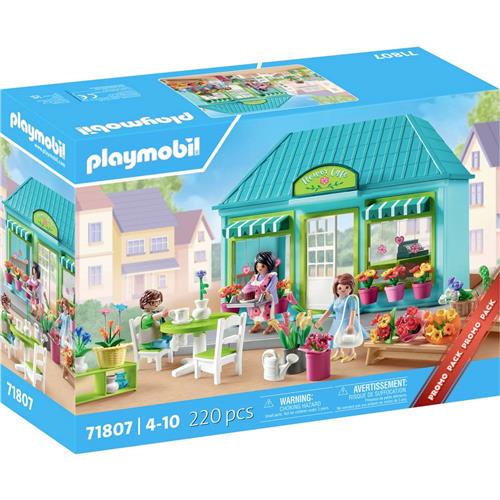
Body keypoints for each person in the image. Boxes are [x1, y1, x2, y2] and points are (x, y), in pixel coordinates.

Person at [314, 273, 367, 363]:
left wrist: (351, 325)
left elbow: (353, 312)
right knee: (337, 337)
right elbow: (329, 311)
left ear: (351, 289)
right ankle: (339, 352)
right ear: (336, 289)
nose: (343, 290)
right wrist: (320, 321)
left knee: (348, 338)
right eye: (340, 288)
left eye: (346, 287)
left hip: (348, 321)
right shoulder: (336, 300)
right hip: (338, 322)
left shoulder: (350, 299)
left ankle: (351, 353)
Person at [240, 251, 279, 334]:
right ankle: (257, 324)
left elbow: (271, 286)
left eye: (262, 266)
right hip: (257, 298)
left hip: (268, 298)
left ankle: (271, 325)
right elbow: (249, 285)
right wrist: (242, 292)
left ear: (269, 265)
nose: (259, 268)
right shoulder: (255, 277)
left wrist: (267, 292)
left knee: (268, 312)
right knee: (256, 311)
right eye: (257, 266)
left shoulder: (272, 276)